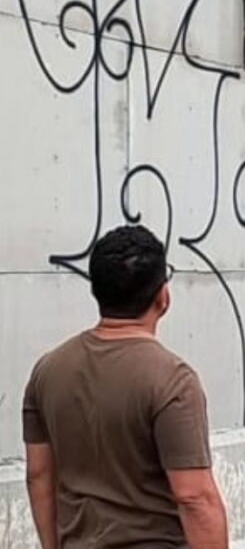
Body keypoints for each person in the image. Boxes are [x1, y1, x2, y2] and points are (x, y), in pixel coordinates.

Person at [22, 225, 229, 548]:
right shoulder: (174, 381)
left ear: (97, 291)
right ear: (163, 296)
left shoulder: (47, 371)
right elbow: (195, 497)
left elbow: (38, 475)